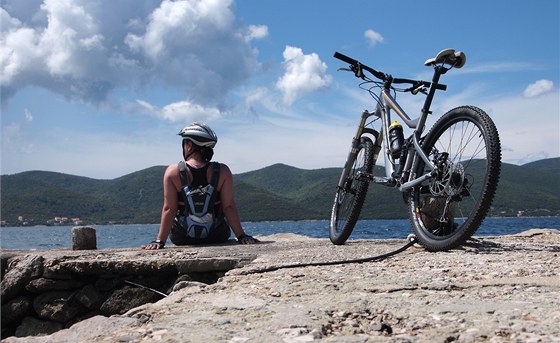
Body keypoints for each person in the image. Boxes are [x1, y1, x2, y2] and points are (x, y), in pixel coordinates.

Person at [143, 122, 259, 250]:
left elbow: (169, 209)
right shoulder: (223, 171)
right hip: (217, 236)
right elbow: (228, 207)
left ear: (189, 145)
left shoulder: (173, 172)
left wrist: (159, 241)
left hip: (182, 238)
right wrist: (242, 236)